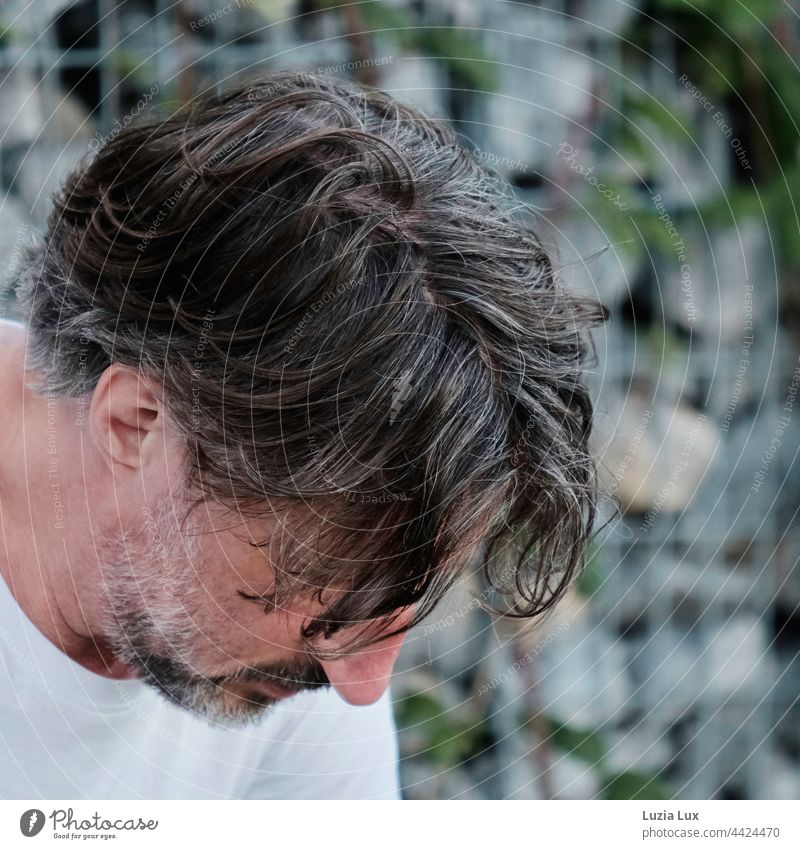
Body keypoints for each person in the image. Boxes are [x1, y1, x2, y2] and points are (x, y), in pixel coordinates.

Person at [0, 70, 605, 799]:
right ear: (137, 423)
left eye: (401, 605)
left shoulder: (269, 663)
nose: (362, 682)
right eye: (333, 601)